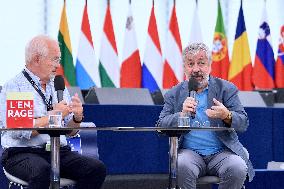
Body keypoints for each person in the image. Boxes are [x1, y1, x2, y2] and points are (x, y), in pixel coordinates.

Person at [0, 35, 106, 189]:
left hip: (58, 151)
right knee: (41, 171)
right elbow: (19, 129)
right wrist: (53, 116)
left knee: (96, 169)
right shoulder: (16, 86)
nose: (58, 65)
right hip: (22, 153)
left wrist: (76, 117)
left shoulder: (58, 85)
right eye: (55, 59)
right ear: (37, 59)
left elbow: (70, 132)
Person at [157, 43, 254, 189]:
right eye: (190, 64)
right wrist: (181, 114)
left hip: (222, 153)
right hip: (190, 154)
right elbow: (161, 126)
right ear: (184, 68)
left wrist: (227, 115)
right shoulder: (174, 93)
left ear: (209, 66)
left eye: (201, 63)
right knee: (180, 164)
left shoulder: (226, 89)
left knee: (238, 166)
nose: (196, 69)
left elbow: (243, 123)